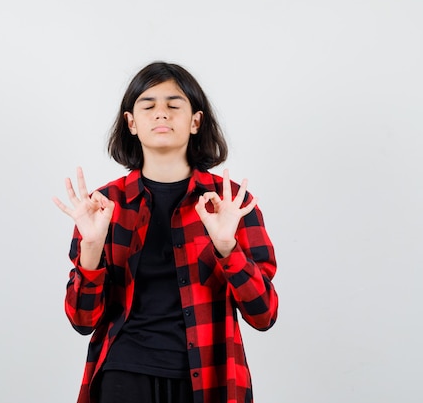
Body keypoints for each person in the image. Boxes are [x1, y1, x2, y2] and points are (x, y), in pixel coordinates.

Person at [53, 61, 278, 403]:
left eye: (174, 105)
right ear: (131, 122)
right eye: (148, 105)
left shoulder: (230, 204)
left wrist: (228, 248)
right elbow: (83, 321)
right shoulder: (104, 205)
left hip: (209, 376)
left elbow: (264, 315)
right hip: (124, 375)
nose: (161, 114)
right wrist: (92, 247)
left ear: (195, 121)